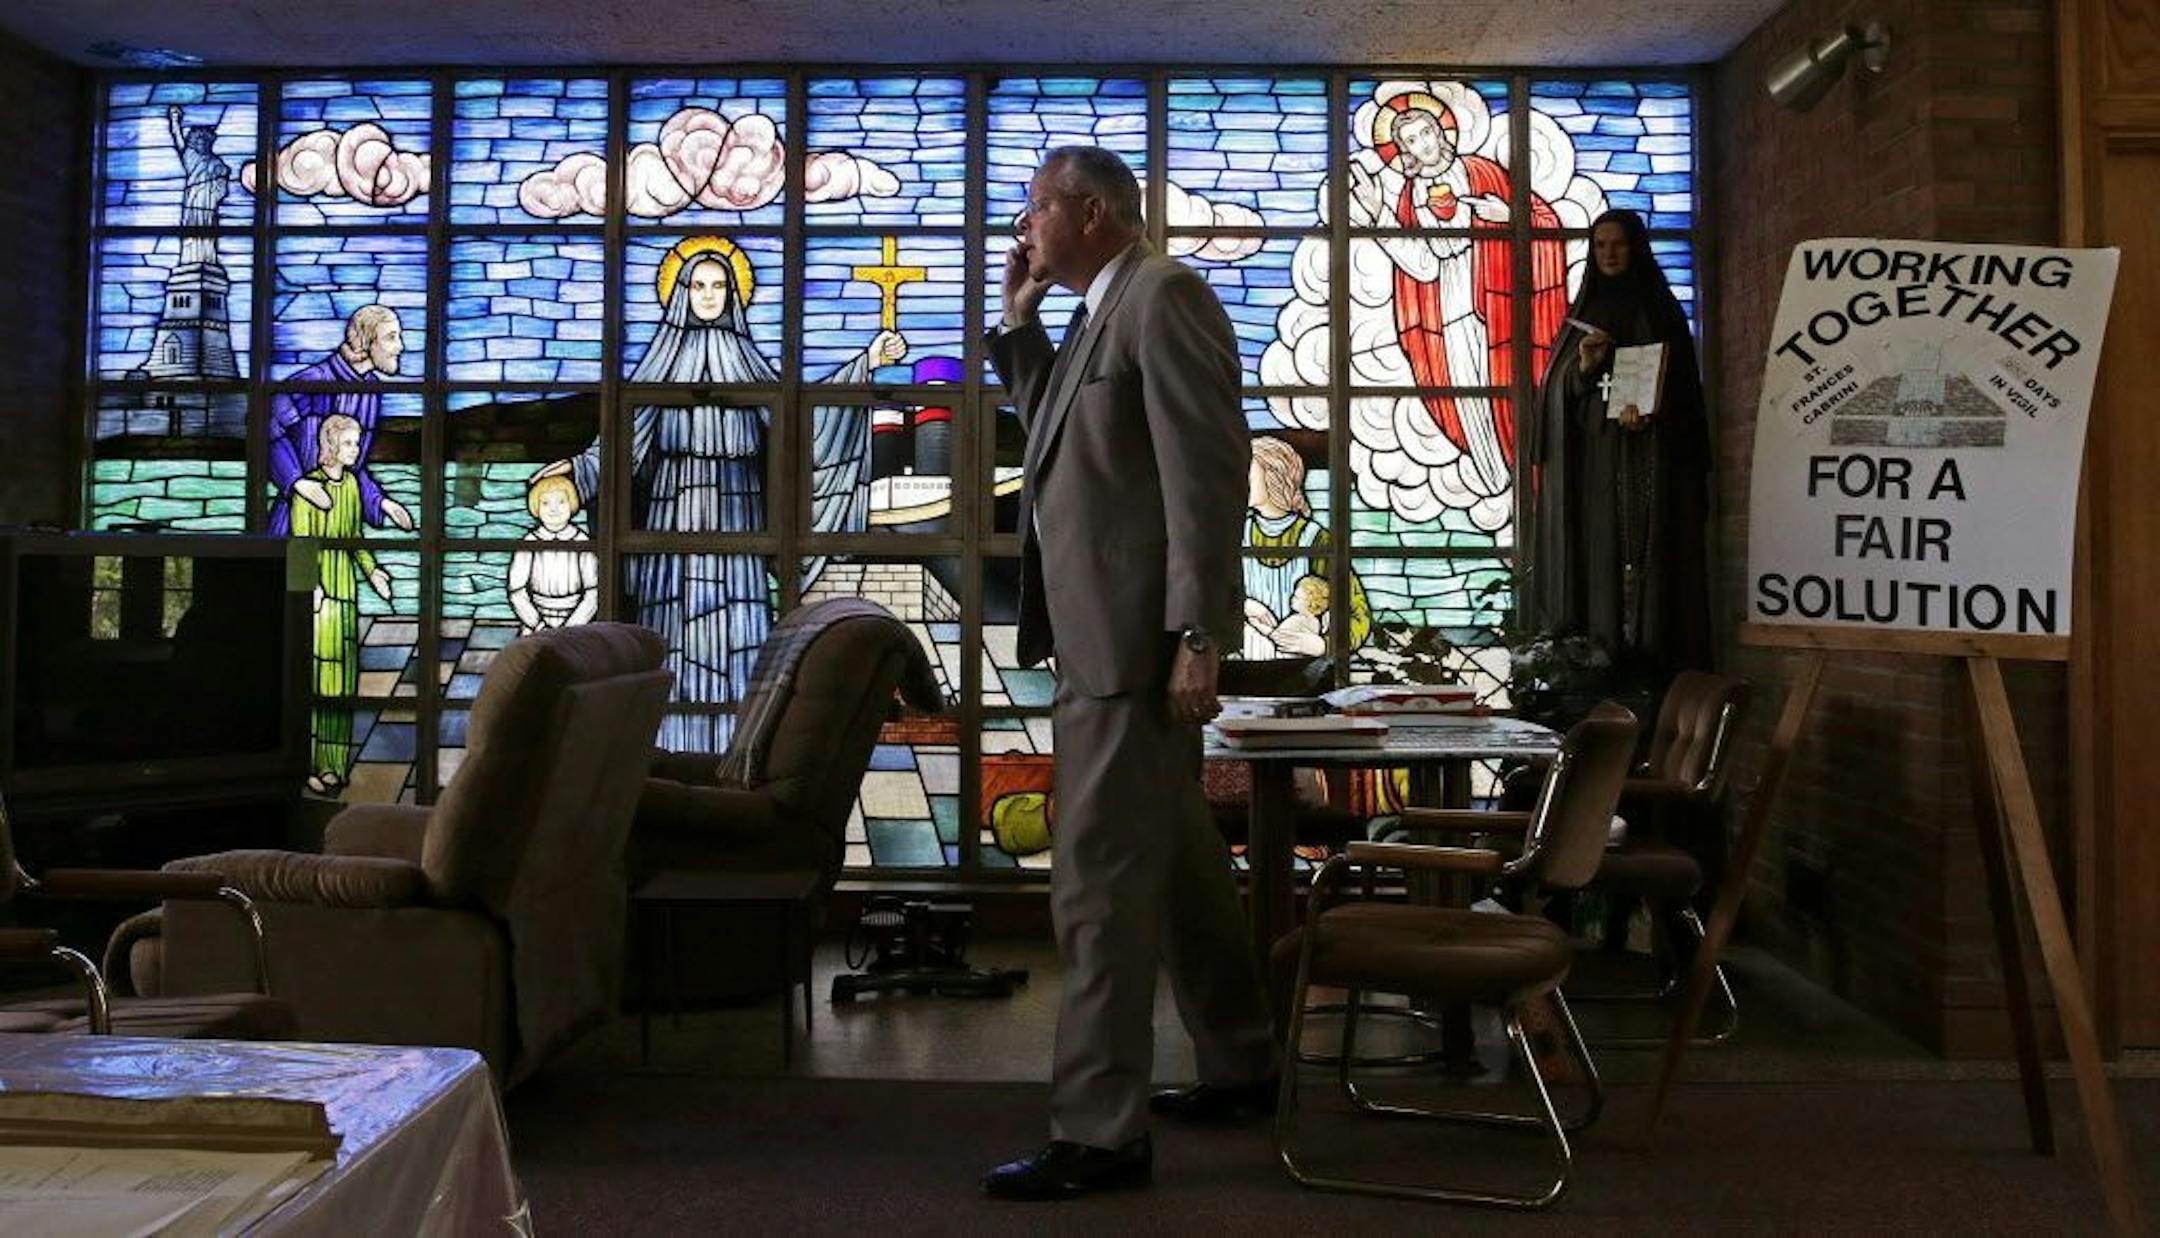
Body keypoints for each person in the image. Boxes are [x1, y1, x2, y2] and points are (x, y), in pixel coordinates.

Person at [979, 146, 1278, 1202]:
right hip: (1103, 638)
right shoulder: (1092, 312)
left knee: (1099, 884)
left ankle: (1099, 1132)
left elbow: (1209, 468)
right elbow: (1059, 435)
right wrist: (1017, 322)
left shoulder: (1163, 296)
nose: (1025, 230)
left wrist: (1202, 630)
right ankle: (1244, 1058)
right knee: (1185, 861)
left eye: (1036, 212)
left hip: (1136, 644)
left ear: (1092, 212)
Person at [533, 237, 904, 751]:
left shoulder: (749, 362)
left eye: (719, 286)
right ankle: (662, 745)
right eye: (698, 286)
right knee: (675, 634)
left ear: (734, 294)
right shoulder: (658, 366)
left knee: (738, 634)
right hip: (671, 520)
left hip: (739, 521)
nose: (708, 296)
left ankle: (741, 745)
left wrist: (864, 364)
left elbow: (801, 426)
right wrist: (579, 471)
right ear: (680, 293)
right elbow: (624, 440)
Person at [1522, 208, 1711, 694]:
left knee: (1643, 581)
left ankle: (1647, 684)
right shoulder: (1579, 315)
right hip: (1589, 478)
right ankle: (1581, 678)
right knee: (1591, 573)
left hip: (1646, 472)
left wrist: (1651, 415)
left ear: (1636, 249)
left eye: (1619, 244)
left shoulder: (1663, 313)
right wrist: (1583, 369)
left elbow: (1686, 398)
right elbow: (1554, 399)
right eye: (1600, 245)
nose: (1609, 254)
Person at [290, 414, 392, 794]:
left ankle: (334, 764)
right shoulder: (307, 489)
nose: (356, 448)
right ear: (330, 445)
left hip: (345, 589)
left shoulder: (349, 484)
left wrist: (373, 571)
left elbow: (353, 536)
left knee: (344, 679)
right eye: (349, 442)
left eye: (358, 441)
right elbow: (300, 545)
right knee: (319, 678)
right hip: (320, 595)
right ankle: (310, 764)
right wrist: (307, 592)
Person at [267, 304, 416, 538]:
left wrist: (380, 502)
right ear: (367, 343)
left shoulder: (370, 391)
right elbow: (265, 421)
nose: (400, 347)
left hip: (339, 519)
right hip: (295, 518)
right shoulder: (315, 382)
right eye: (391, 337)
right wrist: (296, 482)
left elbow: (352, 465)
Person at [1241, 435, 1369, 659]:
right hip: (1244, 666)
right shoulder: (1236, 535)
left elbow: (1357, 612)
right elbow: (1206, 598)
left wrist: (1323, 646)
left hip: (1304, 668)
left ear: (1275, 478)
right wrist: (1242, 605)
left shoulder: (1316, 540)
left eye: (1249, 474)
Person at [508, 474, 599, 635]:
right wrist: (537, 625)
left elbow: (593, 591)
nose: (553, 508)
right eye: (545, 503)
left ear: (572, 504)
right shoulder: (529, 542)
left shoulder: (582, 540)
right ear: (536, 507)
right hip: (535, 625)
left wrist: (571, 627)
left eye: (561, 501)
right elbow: (517, 590)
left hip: (577, 626)